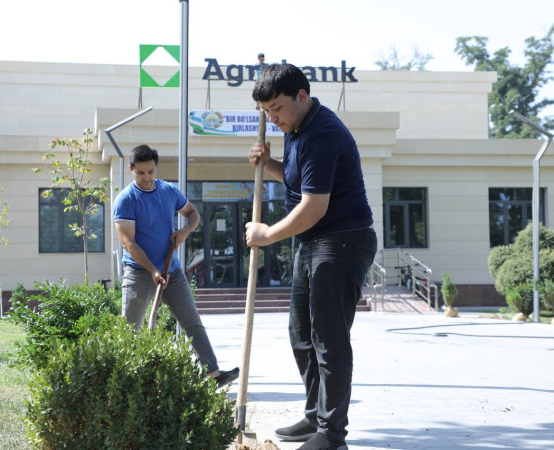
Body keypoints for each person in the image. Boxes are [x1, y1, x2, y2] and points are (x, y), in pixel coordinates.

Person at [246, 64, 377, 450]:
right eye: (266, 112)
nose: (272, 118)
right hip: (314, 242)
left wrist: (267, 234)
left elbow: (314, 205)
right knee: (301, 334)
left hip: (340, 241)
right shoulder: (297, 129)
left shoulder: (322, 133)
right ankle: (314, 417)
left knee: (329, 338)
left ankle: (332, 434)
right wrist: (267, 164)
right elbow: (298, 180)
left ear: (301, 96)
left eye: (277, 108)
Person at [113, 144, 238, 388]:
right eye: (141, 173)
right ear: (131, 170)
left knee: (191, 321)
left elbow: (193, 214)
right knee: (131, 327)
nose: (147, 178)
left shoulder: (169, 191)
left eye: (151, 172)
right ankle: (126, 382)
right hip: (139, 272)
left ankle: (213, 374)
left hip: (172, 271)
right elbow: (128, 242)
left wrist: (183, 232)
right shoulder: (126, 200)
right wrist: (152, 270)